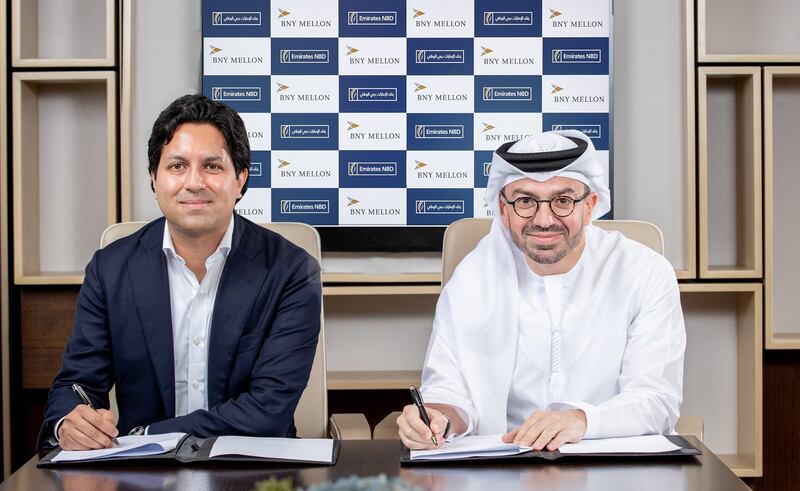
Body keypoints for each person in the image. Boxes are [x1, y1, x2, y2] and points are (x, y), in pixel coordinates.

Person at [38, 94, 322, 450]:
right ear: (154, 179)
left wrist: (147, 435)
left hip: (255, 468)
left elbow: (269, 408)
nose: (194, 182)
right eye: (177, 166)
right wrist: (70, 423)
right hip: (144, 473)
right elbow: (77, 383)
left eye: (213, 167)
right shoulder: (110, 270)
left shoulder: (291, 270)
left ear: (241, 180)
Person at [397, 130, 686, 451]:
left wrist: (581, 420)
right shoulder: (472, 277)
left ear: (589, 207)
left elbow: (656, 399)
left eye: (563, 200)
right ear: (504, 210)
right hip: (500, 468)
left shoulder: (644, 272)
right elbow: (450, 389)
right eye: (525, 201)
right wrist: (438, 417)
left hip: (613, 461)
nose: (544, 219)